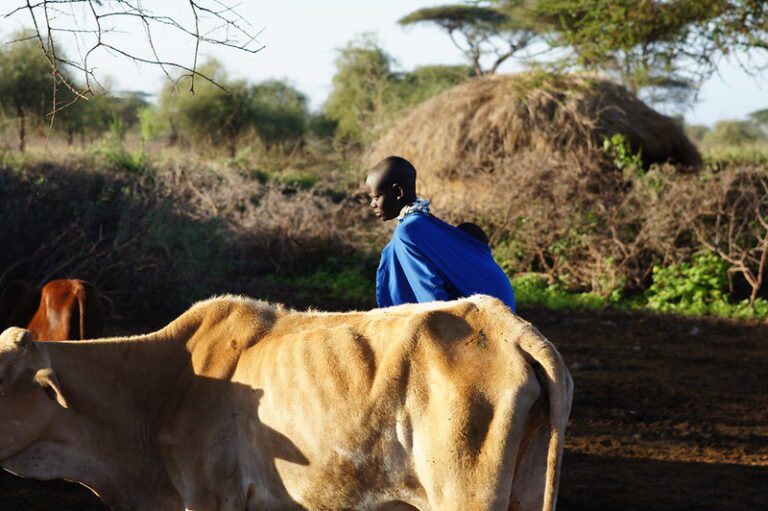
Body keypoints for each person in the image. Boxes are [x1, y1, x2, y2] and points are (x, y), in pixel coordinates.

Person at [366, 155, 515, 311]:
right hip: (503, 302)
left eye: (376, 197)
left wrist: (441, 326)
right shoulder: (425, 222)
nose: (373, 204)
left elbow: (429, 290)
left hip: (485, 314)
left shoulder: (408, 231)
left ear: (398, 191)